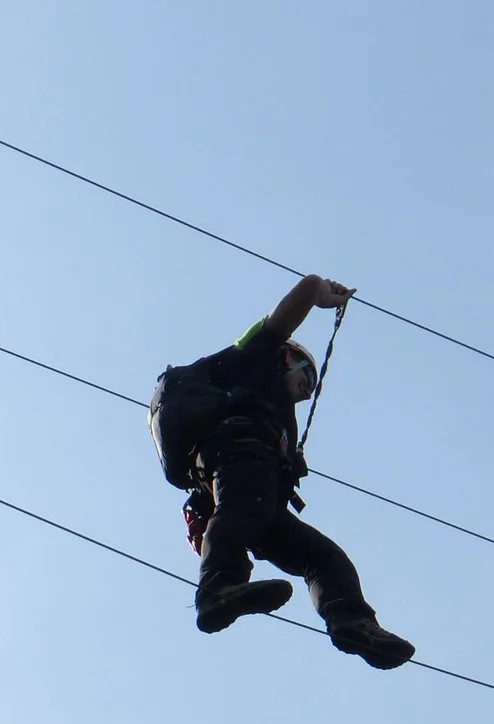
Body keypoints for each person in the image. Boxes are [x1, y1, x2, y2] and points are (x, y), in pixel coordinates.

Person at [171, 274, 415, 669]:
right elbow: (290, 307)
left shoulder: (281, 417)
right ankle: (219, 588)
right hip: (236, 460)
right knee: (242, 507)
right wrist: (316, 291)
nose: (309, 389)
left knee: (324, 557)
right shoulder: (255, 357)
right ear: (287, 357)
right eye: (307, 374)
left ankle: (351, 621)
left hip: (260, 492)